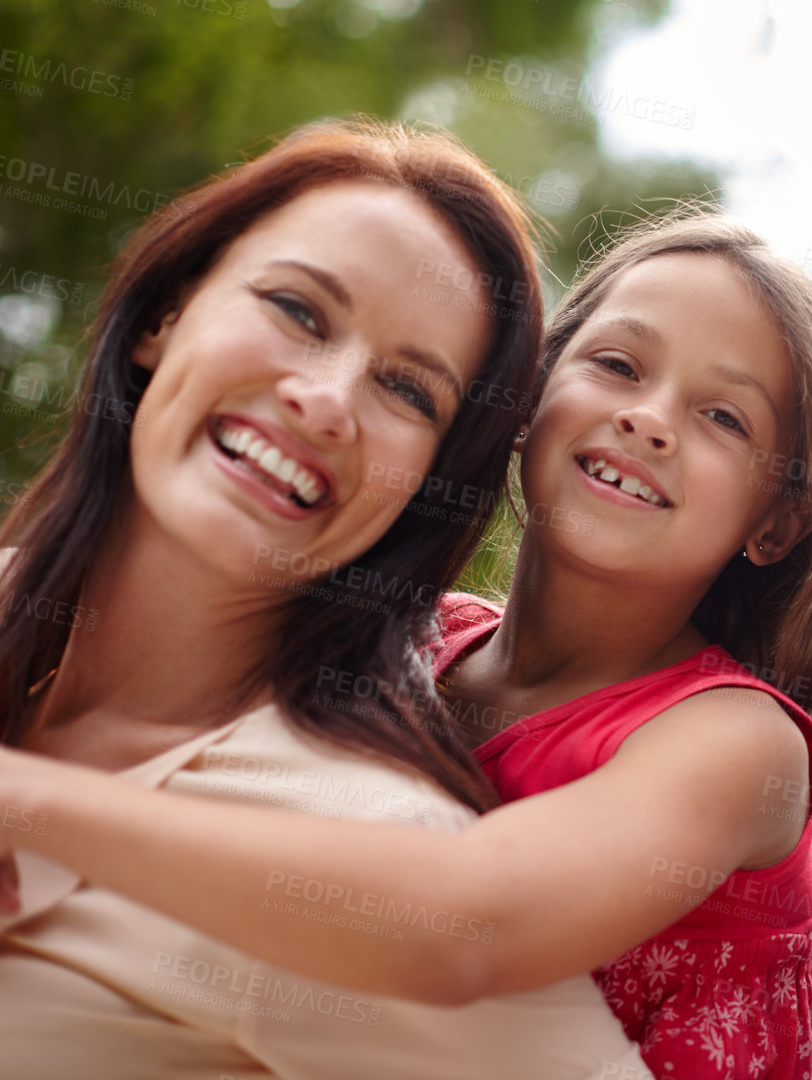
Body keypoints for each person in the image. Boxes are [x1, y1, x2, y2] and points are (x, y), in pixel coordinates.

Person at [0, 212, 812, 1080]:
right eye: (617, 365)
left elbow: (472, 926)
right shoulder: (417, 638)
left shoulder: (736, 739)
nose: (650, 420)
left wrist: (33, 803)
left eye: (725, 419)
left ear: (776, 524)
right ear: (525, 400)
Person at [0, 120, 648, 1078]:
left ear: (424, 486)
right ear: (165, 317)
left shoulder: (363, 838)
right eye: (299, 311)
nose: (327, 398)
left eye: (407, 390)